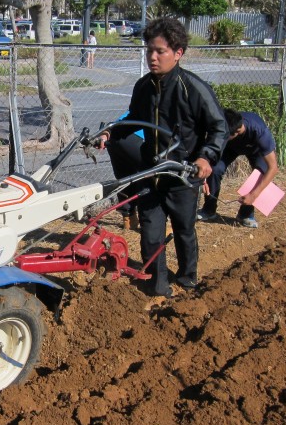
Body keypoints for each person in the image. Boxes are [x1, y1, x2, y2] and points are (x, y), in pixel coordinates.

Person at [94, 17, 228, 298]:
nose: (152, 57)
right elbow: (133, 119)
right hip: (150, 171)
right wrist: (110, 133)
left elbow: (219, 127)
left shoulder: (194, 89)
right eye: (148, 51)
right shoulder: (144, 87)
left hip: (182, 174)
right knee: (152, 234)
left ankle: (188, 279)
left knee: (183, 229)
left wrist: (206, 158)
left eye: (160, 51)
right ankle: (158, 288)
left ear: (178, 53)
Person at [197, 108, 279, 228]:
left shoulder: (259, 131)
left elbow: (273, 168)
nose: (221, 135)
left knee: (262, 172)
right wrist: (203, 177)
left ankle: (245, 214)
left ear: (237, 131)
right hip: (231, 149)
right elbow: (209, 154)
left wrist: (253, 195)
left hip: (255, 149)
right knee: (215, 170)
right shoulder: (225, 126)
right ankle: (209, 210)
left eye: (225, 135)